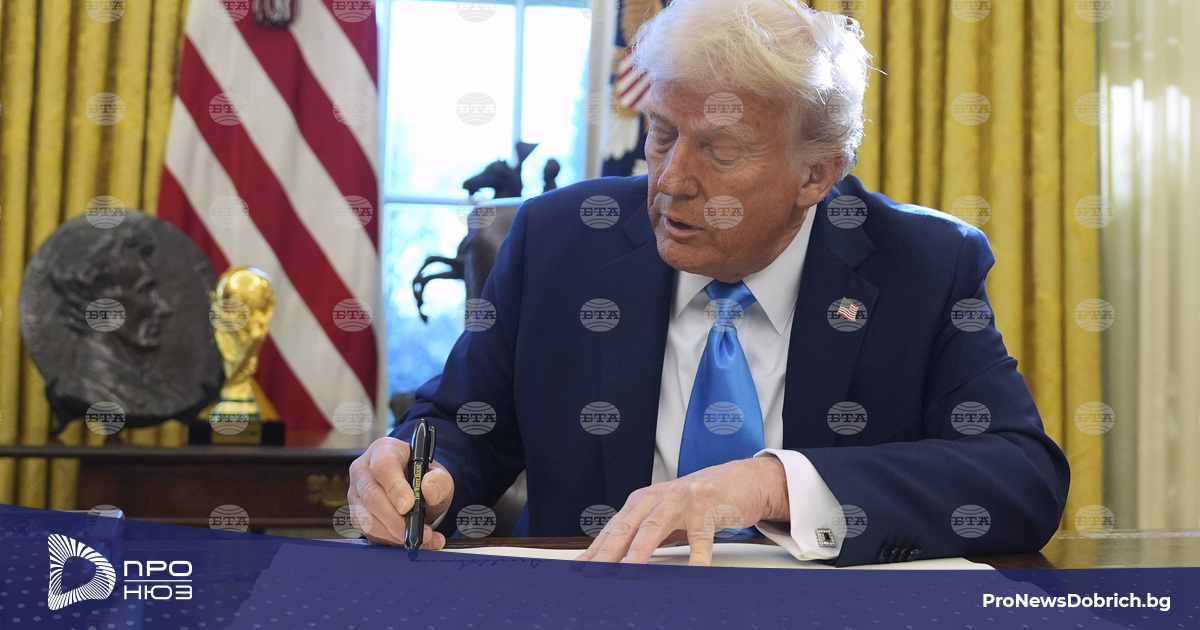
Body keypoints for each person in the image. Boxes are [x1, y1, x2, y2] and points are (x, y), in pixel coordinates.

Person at [349, 0, 1070, 566]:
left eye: (720, 151)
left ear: (816, 174)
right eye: (663, 132)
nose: (671, 180)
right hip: (593, 602)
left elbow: (1018, 476)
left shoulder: (923, 264)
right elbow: (462, 423)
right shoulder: (560, 242)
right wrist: (419, 475)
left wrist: (772, 483)